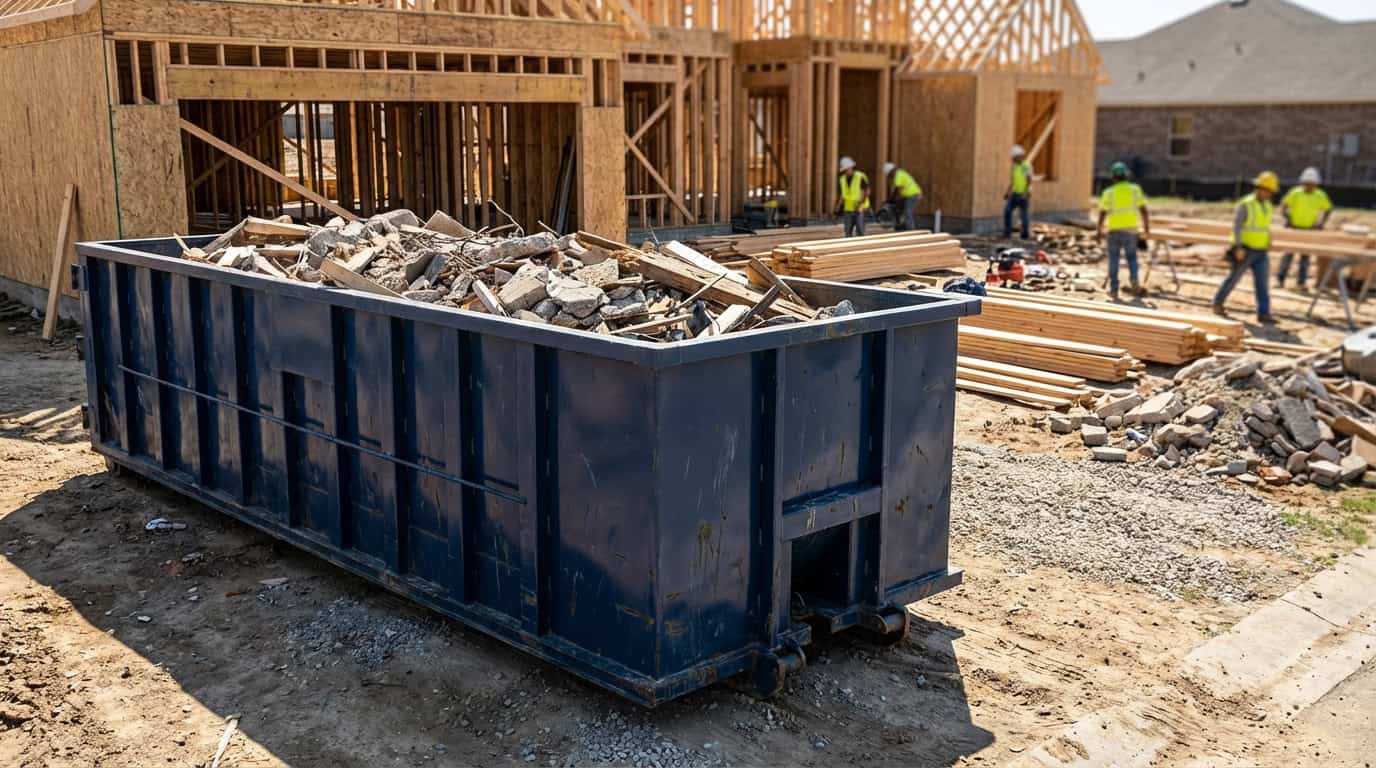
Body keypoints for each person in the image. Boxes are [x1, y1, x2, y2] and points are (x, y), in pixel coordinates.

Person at [1213, 171, 1280, 322]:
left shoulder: (1268, 205)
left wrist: (1268, 239)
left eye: (1271, 192)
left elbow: (1264, 226)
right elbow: (1236, 227)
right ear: (1260, 188)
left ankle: (1264, 313)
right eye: (1268, 191)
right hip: (1245, 250)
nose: (1269, 194)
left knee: (1262, 284)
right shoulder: (1246, 204)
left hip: (1261, 251)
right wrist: (1237, 247)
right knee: (1233, 279)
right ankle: (1217, 303)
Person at [1096, 161, 1150, 299]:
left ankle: (1114, 289)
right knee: (1132, 258)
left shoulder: (1108, 192)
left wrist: (1099, 231)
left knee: (1114, 259)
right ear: (1126, 175)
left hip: (1113, 231)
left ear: (1113, 176)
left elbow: (1102, 213)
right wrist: (1146, 228)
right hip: (1131, 231)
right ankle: (1134, 280)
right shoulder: (1135, 189)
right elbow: (1143, 210)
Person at [1275, 167, 1333, 290]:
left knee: (1305, 258)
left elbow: (1328, 209)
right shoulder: (1295, 193)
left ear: (1316, 184)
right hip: (1295, 229)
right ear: (1303, 183)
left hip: (1309, 231)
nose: (1309, 186)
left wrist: (1321, 223)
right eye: (1307, 184)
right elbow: (1284, 207)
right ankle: (1280, 279)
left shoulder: (1320, 195)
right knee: (1288, 255)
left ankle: (1301, 283)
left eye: (1312, 184)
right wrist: (1288, 220)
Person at [834, 156, 870, 237]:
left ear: (851, 167)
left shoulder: (860, 176)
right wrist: (837, 209)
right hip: (848, 209)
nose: (846, 171)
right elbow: (842, 195)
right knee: (847, 233)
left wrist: (861, 204)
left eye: (847, 169)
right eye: (844, 170)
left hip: (859, 209)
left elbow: (866, 191)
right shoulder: (842, 179)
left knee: (860, 232)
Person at [882, 161, 922, 231]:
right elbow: (898, 191)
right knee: (899, 210)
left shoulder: (898, 174)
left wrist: (891, 200)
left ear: (891, 171)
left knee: (907, 211)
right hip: (907, 196)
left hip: (913, 194)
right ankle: (901, 226)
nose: (889, 176)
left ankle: (910, 230)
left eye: (889, 174)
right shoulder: (898, 174)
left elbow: (897, 190)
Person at [1003, 145, 1033, 239]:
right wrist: (1008, 192)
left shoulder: (1025, 166)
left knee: (1024, 215)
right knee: (1007, 211)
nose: (1013, 159)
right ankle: (1007, 233)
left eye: (1014, 157)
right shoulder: (1015, 166)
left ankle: (1025, 234)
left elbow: (1029, 180)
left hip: (1023, 194)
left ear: (1019, 156)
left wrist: (1026, 192)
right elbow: (1013, 181)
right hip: (1015, 193)